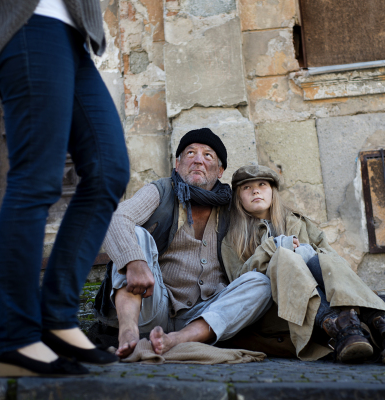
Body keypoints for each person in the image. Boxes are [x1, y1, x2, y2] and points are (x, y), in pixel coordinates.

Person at [0, 0, 128, 376]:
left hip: (74, 38)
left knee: (109, 170)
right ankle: (14, 337)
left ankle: (57, 319)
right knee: (36, 180)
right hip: (27, 23)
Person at [92, 129, 273, 358]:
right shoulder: (162, 190)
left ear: (220, 171)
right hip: (153, 305)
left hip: (206, 315)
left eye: (208, 155)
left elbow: (264, 224)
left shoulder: (231, 206)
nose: (198, 160)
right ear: (177, 164)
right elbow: (116, 218)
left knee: (260, 282)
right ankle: (128, 331)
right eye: (190, 153)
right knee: (137, 235)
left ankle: (178, 339)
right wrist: (135, 262)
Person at [221, 165, 385, 365]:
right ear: (239, 197)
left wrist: (304, 253)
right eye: (246, 188)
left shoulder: (301, 224)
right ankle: (336, 325)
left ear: (272, 192)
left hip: (327, 304)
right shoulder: (231, 240)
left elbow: (337, 270)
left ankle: (382, 324)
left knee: (319, 257)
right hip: (278, 313)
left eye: (262, 184)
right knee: (285, 257)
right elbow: (239, 285)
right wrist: (270, 249)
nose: (255, 190)